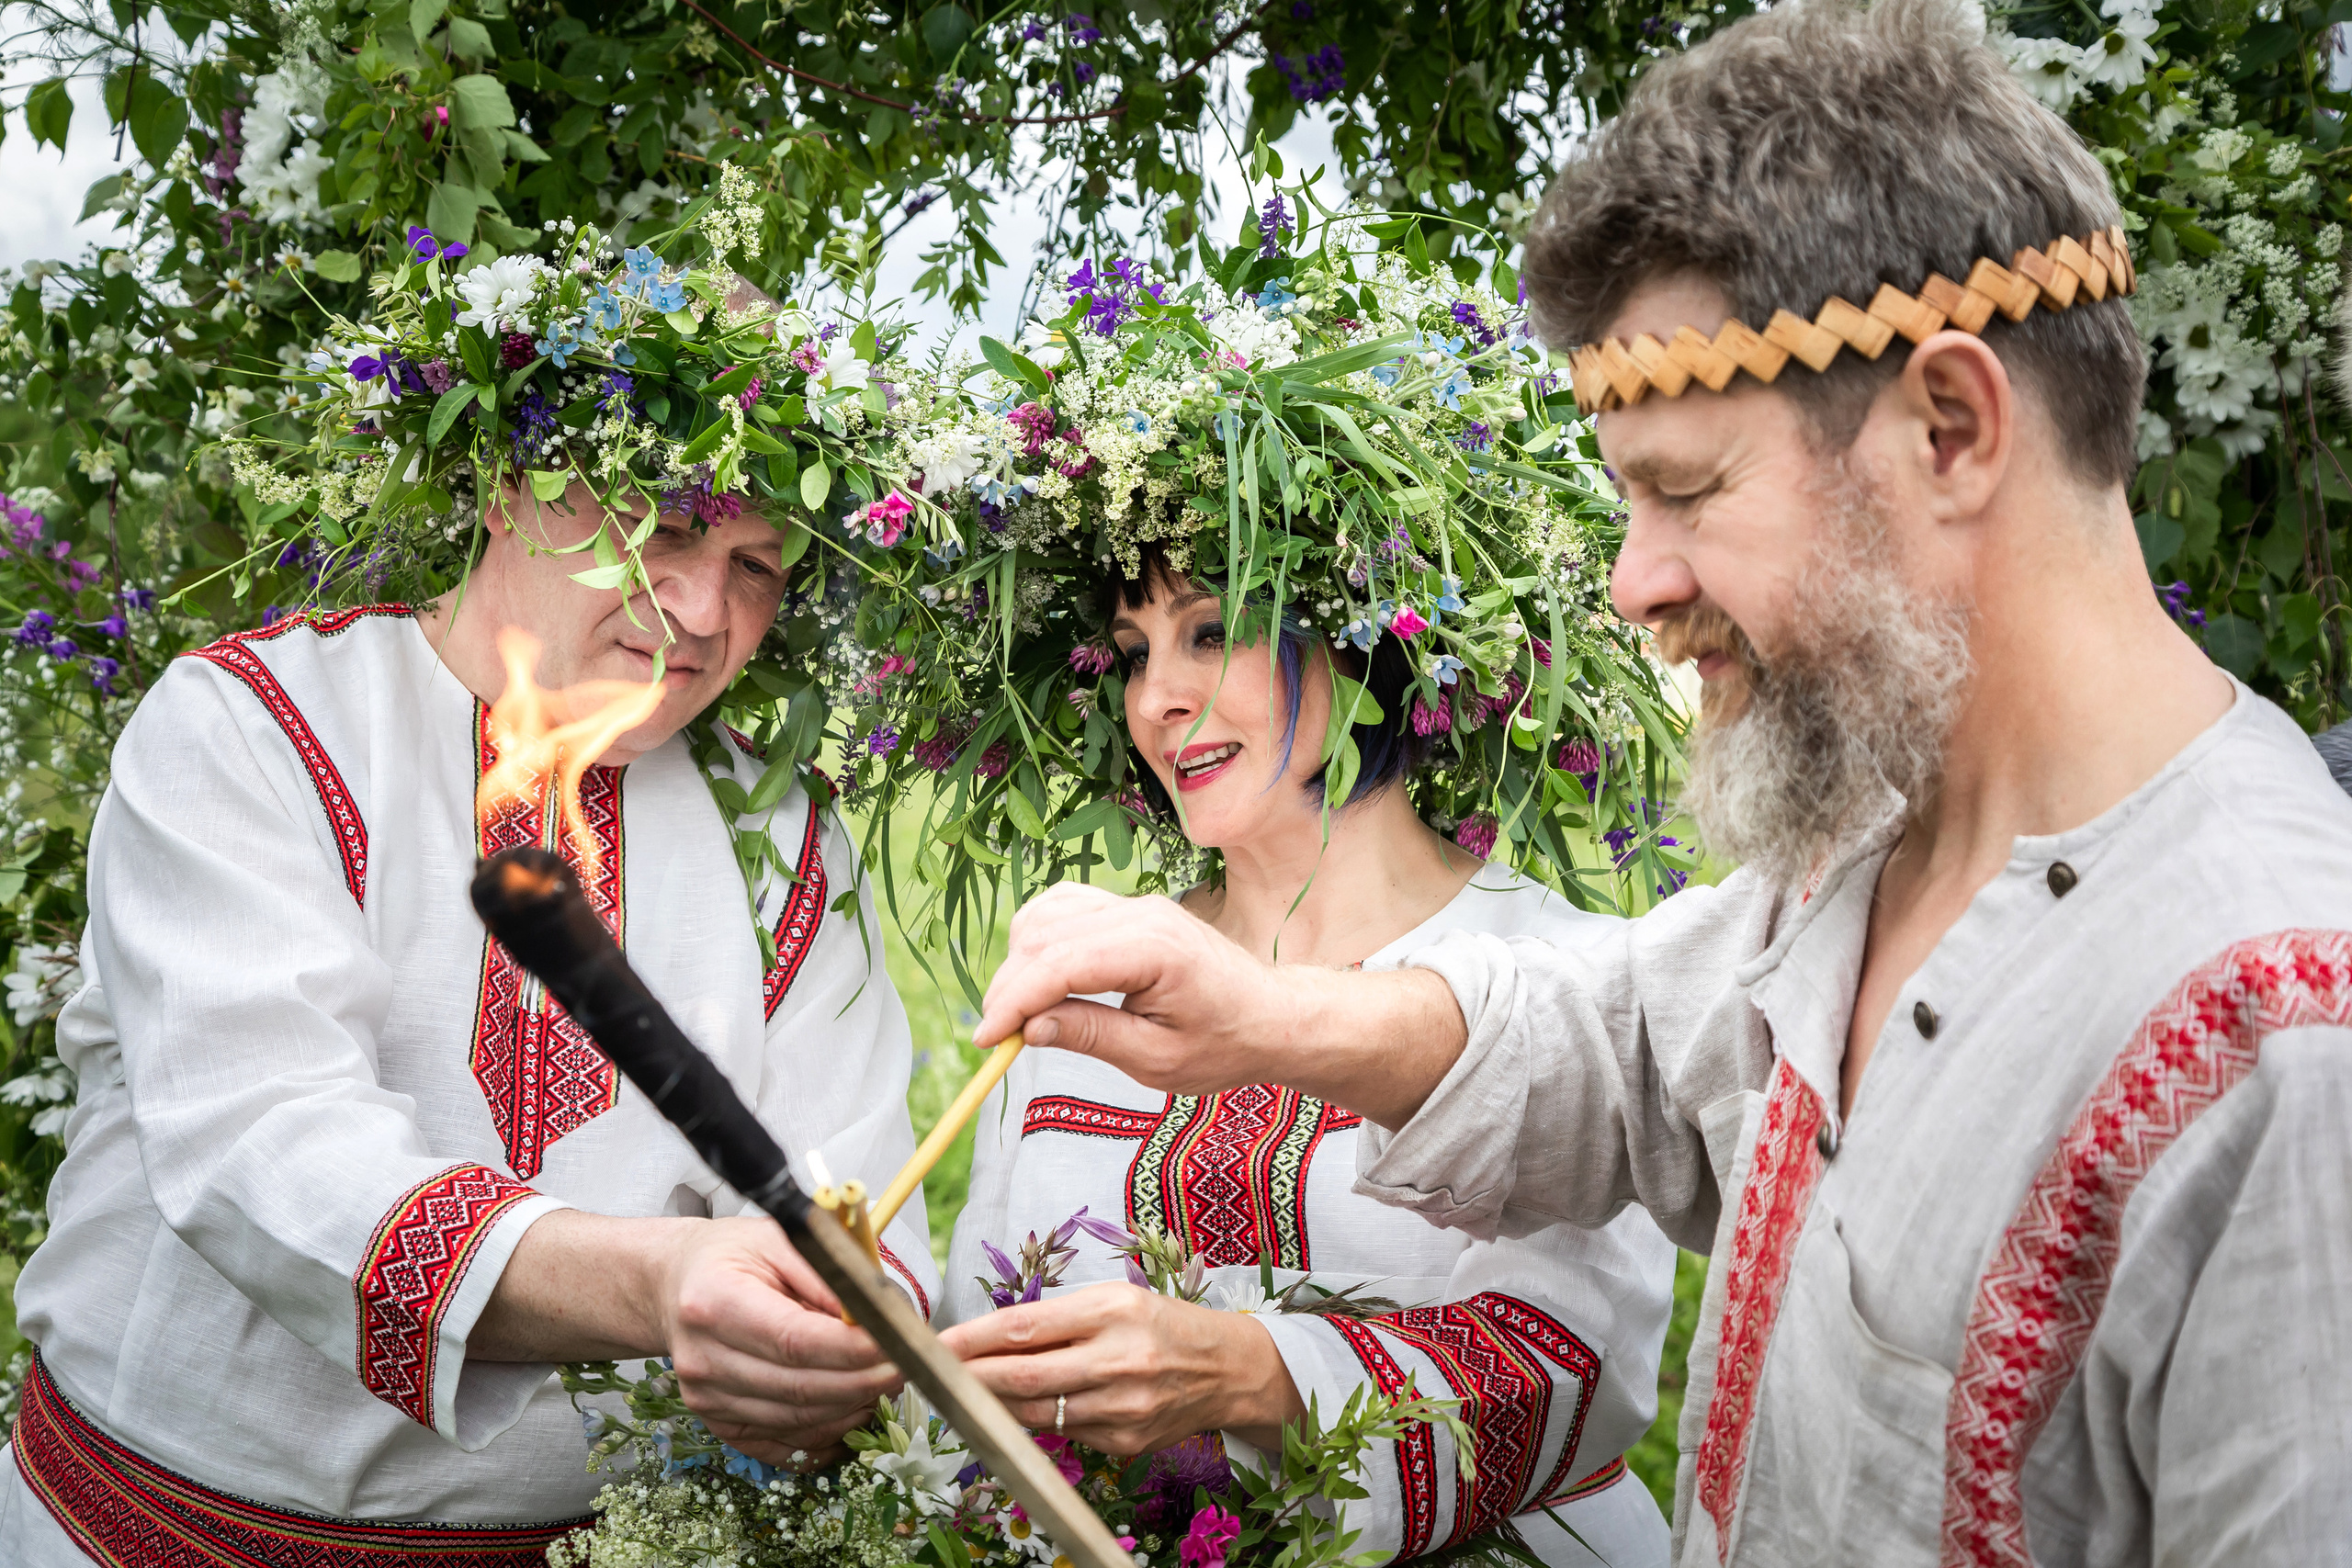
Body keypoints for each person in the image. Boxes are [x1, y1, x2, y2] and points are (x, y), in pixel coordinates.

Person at [964, 2, 2352, 1562]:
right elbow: (1626, 1045)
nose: (1635, 582)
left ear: (1950, 425)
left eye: (1685, 490)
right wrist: (1269, 1018)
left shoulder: (2280, 1042)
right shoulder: (1875, 839)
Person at [2, 480, 933, 1564]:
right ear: (508, 489)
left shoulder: (780, 832)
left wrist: (825, 1358)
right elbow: (262, 1145)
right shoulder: (254, 722)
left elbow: (857, 1204)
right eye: (664, 529)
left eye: (756, 567)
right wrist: (662, 1283)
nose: (702, 609)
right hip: (150, 1534)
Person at [934, 555, 1679, 1565]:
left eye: (1209, 631)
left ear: (1361, 632)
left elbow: (1568, 1361)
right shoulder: (1080, 986)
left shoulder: (1561, 975)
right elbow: (978, 1337)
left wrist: (1252, 1373)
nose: (1156, 697)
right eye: (1131, 652)